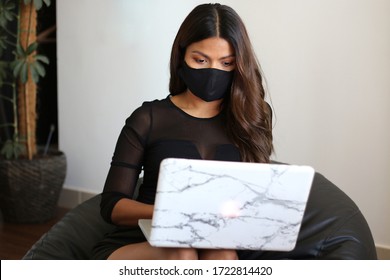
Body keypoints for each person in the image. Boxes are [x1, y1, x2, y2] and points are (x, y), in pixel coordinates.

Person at [92, 3, 273, 260]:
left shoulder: (253, 117)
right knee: (182, 252)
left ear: (239, 64)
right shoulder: (148, 118)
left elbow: (257, 200)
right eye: (200, 60)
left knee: (221, 253)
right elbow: (112, 206)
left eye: (226, 63)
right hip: (145, 241)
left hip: (218, 241)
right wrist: (172, 212)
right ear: (182, 57)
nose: (213, 72)